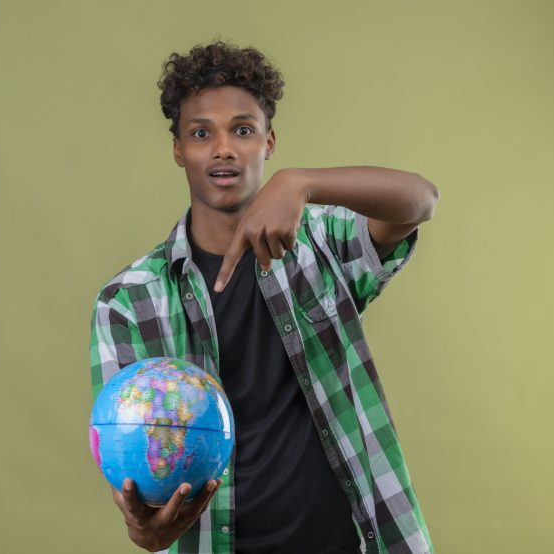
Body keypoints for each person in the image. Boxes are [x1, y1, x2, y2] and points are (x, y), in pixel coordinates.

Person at [90, 40, 438, 554]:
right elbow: (129, 462)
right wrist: (146, 530)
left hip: (352, 541)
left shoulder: (321, 242)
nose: (224, 148)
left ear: (269, 142)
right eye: (201, 133)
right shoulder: (127, 302)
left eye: (243, 130)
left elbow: (421, 200)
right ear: (178, 150)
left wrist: (303, 183)